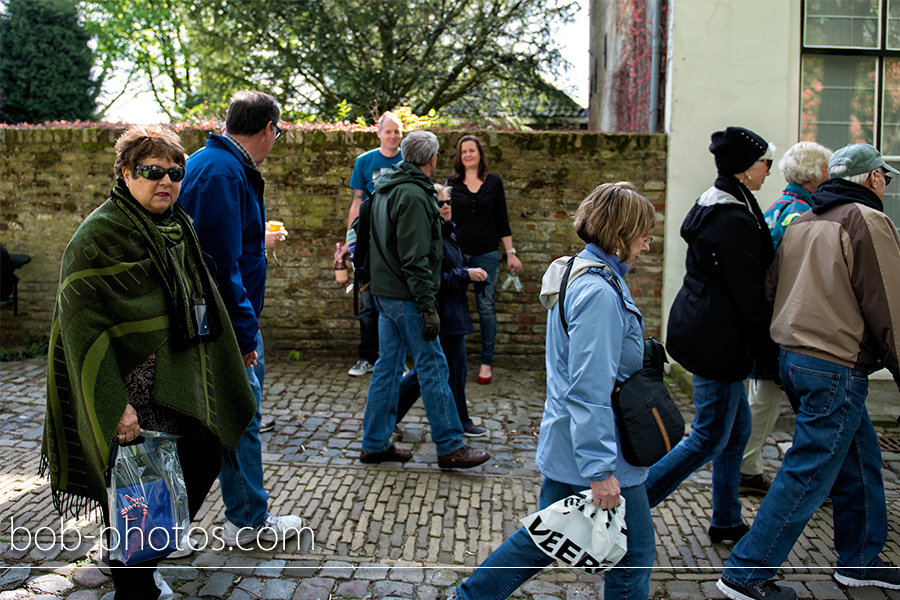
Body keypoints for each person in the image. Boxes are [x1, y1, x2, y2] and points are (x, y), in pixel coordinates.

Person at [41, 125, 257, 599]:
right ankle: (134, 584)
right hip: (130, 393)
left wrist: (230, 349)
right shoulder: (99, 234)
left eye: (175, 173)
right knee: (139, 496)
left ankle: (139, 567)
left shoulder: (178, 226)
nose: (166, 182)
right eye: (152, 171)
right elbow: (80, 330)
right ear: (125, 172)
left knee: (200, 458)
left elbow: (201, 297)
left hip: (178, 380)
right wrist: (115, 406)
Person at [450, 182, 657, 600]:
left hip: (575, 441)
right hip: (603, 450)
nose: (647, 246)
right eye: (643, 235)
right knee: (634, 559)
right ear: (619, 235)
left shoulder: (578, 271)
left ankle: (469, 597)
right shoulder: (598, 292)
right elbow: (589, 387)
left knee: (542, 541)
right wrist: (599, 470)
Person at [717, 143, 900, 600]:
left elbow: (772, 289)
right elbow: (888, 307)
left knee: (861, 462)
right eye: (887, 178)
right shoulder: (866, 219)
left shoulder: (804, 220)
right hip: (835, 365)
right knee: (809, 470)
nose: (887, 186)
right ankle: (747, 570)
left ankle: (859, 561)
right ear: (873, 179)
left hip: (796, 358)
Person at [178, 90, 302, 547]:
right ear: (269, 128)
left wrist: (258, 245)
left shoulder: (216, 165)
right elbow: (216, 267)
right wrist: (246, 335)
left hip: (223, 321)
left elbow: (224, 247)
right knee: (234, 419)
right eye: (279, 133)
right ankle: (239, 522)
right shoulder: (222, 173)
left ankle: (244, 516)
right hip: (224, 326)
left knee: (229, 422)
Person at [649, 126, 779, 545]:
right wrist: (772, 351)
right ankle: (630, 503)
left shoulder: (721, 200)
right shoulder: (733, 218)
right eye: (765, 164)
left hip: (707, 330)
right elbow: (749, 296)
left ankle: (725, 519)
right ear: (745, 169)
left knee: (734, 432)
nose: (768, 172)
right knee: (708, 435)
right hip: (718, 341)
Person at [360, 130, 490, 470]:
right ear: (431, 161)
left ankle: (374, 443)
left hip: (386, 293)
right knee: (434, 366)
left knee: (387, 369)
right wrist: (428, 306)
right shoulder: (415, 196)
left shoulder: (384, 187)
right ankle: (449, 445)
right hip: (407, 297)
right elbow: (416, 258)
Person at [739, 141, 832, 497]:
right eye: (825, 170)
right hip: (782, 322)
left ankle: (748, 466)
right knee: (765, 399)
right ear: (811, 176)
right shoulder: (801, 215)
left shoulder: (779, 207)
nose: (829, 177)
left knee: (763, 398)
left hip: (770, 319)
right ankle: (746, 468)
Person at [394, 184, 488, 437]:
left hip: (453, 311)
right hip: (440, 313)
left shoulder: (448, 232)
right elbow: (433, 279)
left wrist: (469, 275)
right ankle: (460, 422)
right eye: (439, 203)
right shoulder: (431, 236)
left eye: (447, 202)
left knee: (443, 368)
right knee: (442, 369)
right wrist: (465, 274)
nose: (445, 206)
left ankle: (390, 414)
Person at [445, 135, 523, 385]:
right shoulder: (451, 183)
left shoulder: (494, 183)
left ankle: (486, 362)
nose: (468, 154)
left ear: (480, 154)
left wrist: (510, 252)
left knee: (486, 308)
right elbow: (443, 216)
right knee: (453, 307)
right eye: (463, 151)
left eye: (472, 150)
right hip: (456, 255)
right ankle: (453, 361)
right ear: (459, 156)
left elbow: (502, 219)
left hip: (486, 254)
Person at [336, 112, 403, 376]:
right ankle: (366, 357)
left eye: (397, 131)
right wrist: (348, 242)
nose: (393, 136)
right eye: (388, 131)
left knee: (399, 302)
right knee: (368, 302)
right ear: (379, 133)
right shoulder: (364, 161)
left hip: (398, 243)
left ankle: (397, 358)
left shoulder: (408, 160)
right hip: (368, 243)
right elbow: (357, 202)